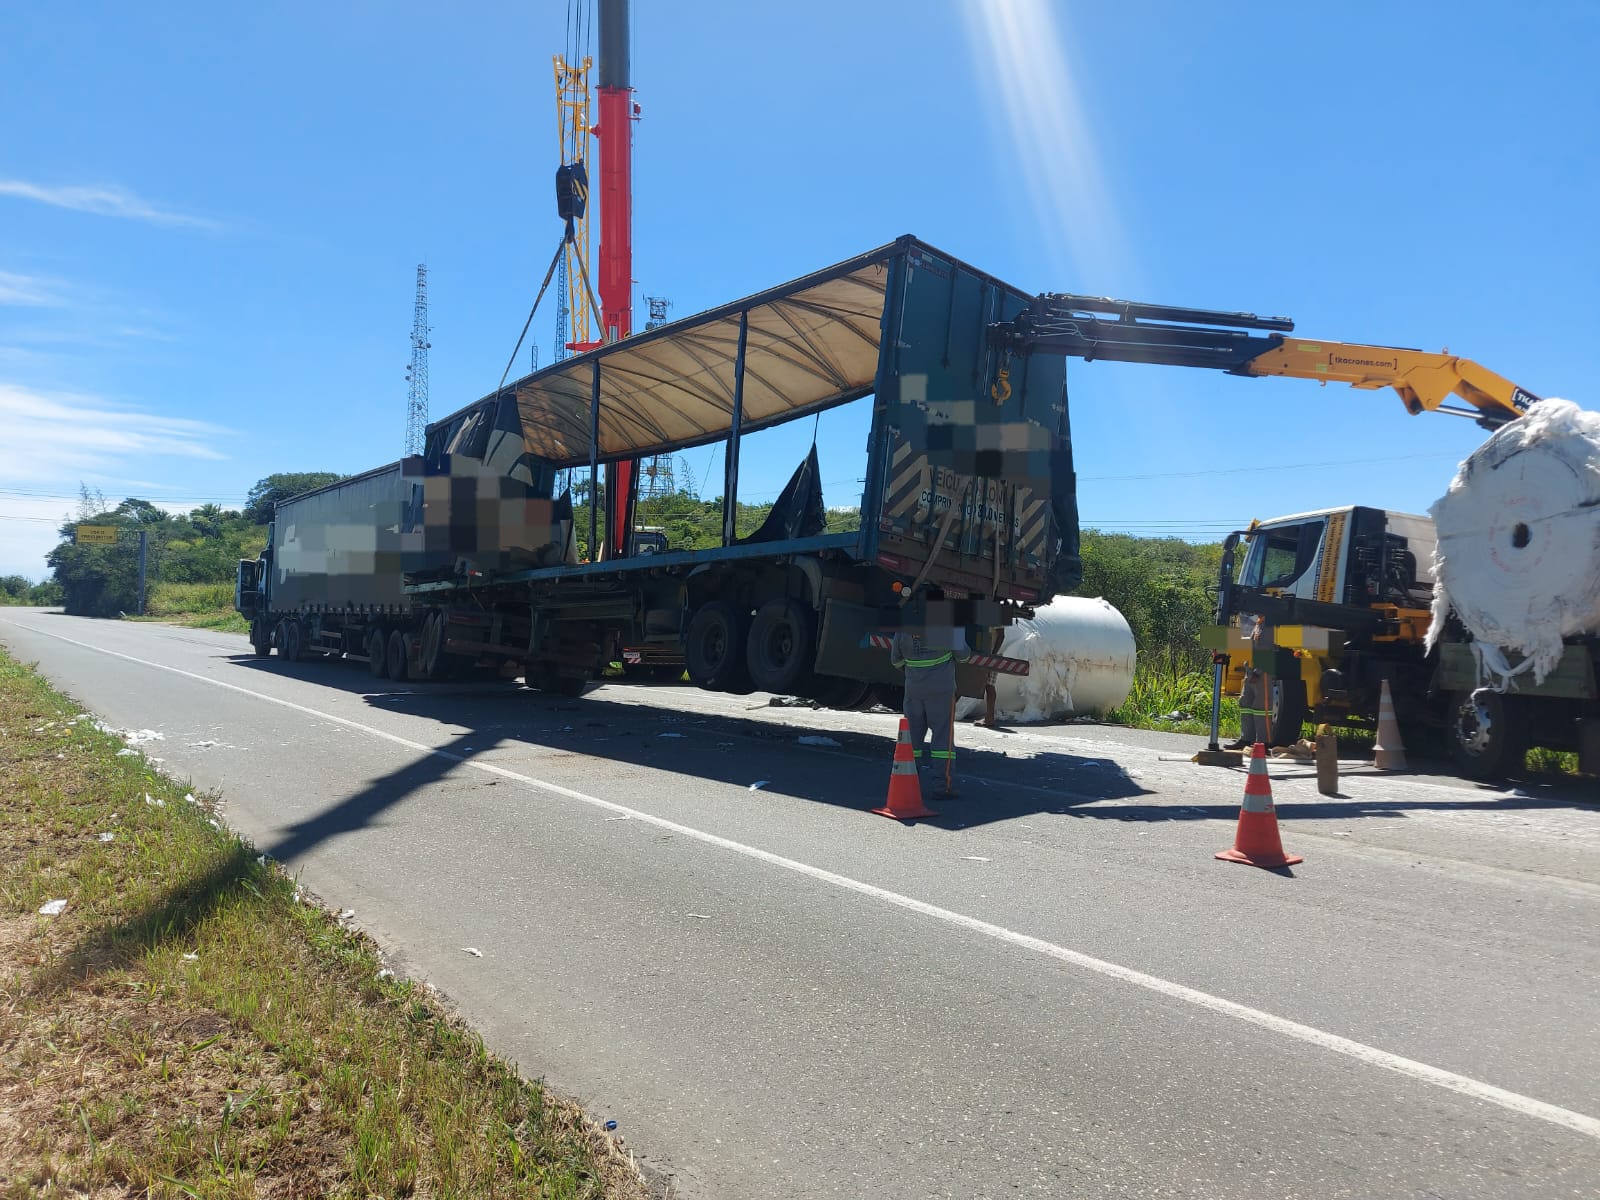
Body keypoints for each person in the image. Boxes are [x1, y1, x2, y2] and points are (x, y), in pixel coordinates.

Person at [890, 586, 971, 796]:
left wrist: (914, 669)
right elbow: (963, 656)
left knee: (913, 739)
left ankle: (908, 784)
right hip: (941, 690)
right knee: (942, 739)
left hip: (913, 690)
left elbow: (895, 661)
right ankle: (942, 786)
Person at [1228, 664, 1268, 750]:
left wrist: (1258, 672)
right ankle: (1246, 739)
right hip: (1250, 670)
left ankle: (1262, 743)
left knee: (1261, 707)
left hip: (1262, 672)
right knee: (1246, 704)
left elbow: (1268, 653)